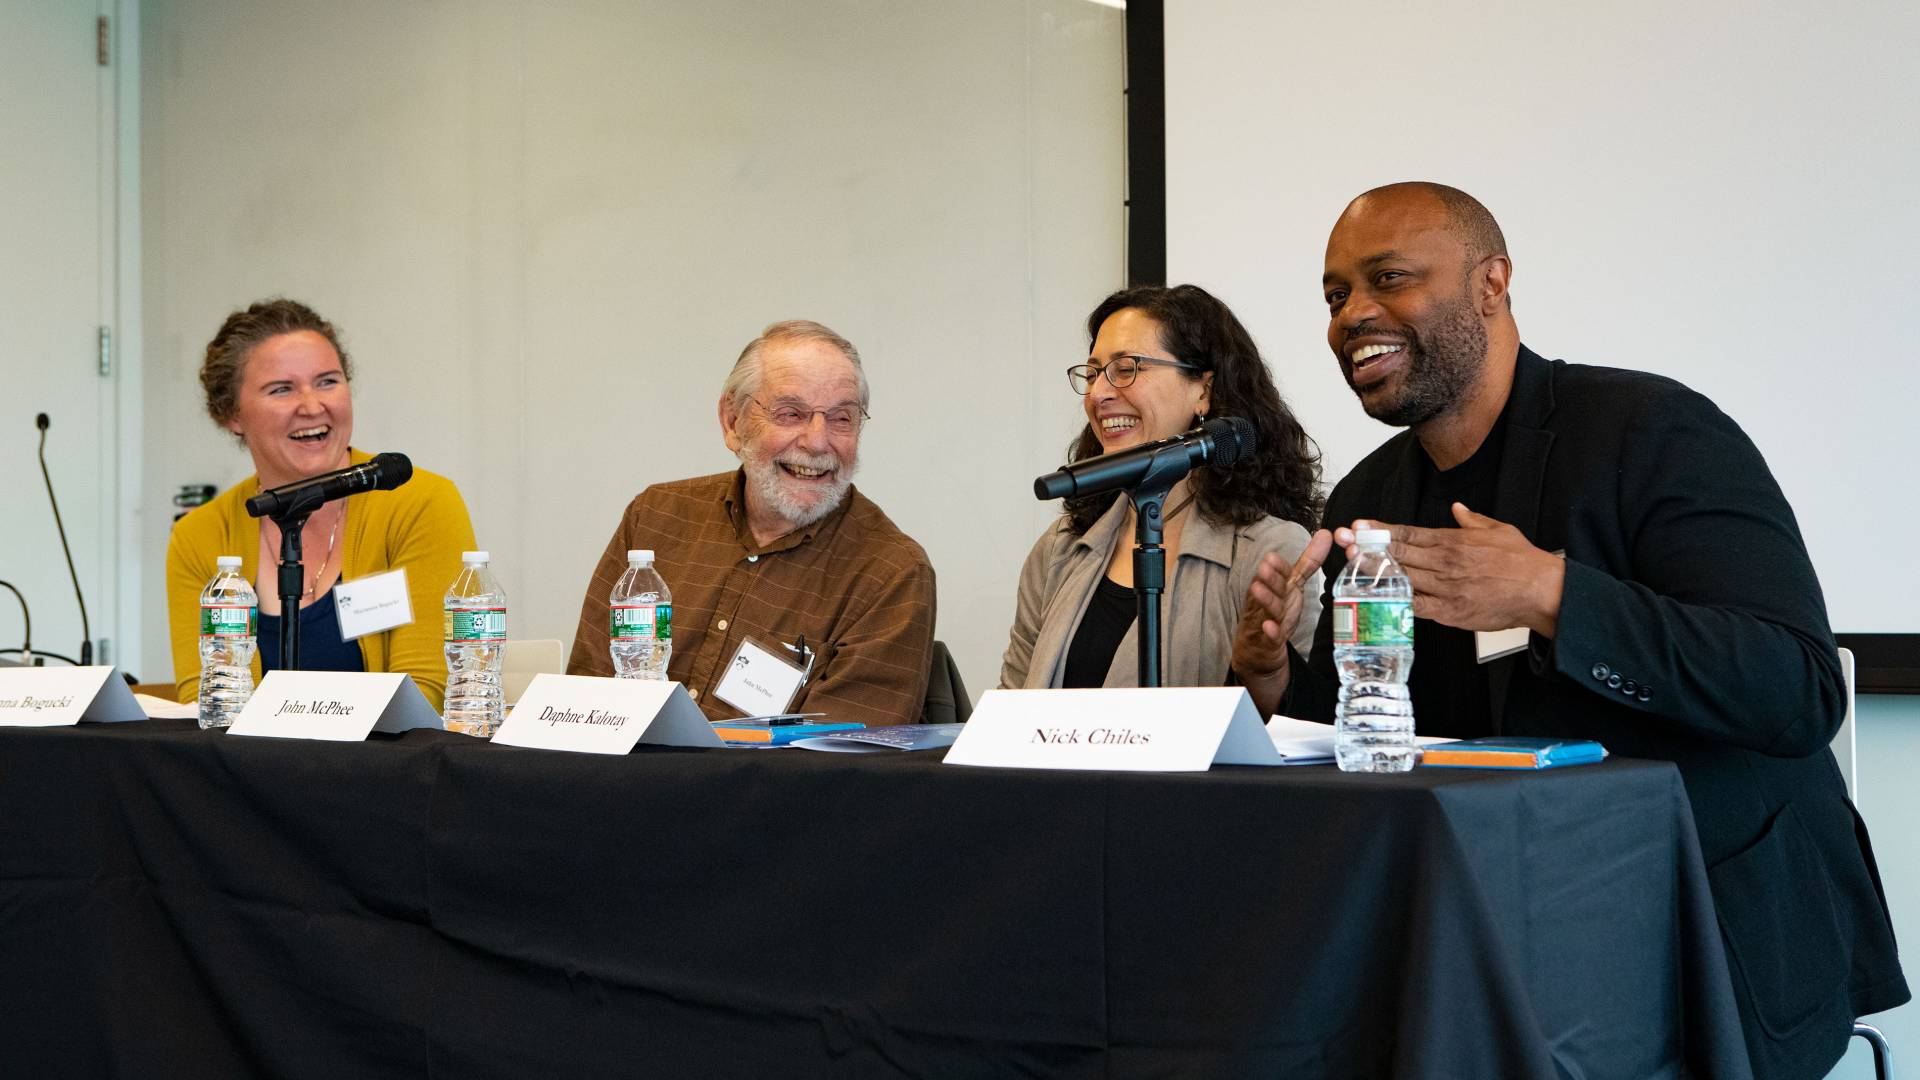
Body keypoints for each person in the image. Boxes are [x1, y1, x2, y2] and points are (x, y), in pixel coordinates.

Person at [1233, 182, 1907, 1078]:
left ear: (1492, 282)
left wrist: (1553, 594)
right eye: (1334, 297)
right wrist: (1274, 679)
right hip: (1488, 944)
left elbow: (1793, 688)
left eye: (1387, 279)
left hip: (1700, 935)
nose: (1354, 315)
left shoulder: (1652, 431)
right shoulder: (1368, 499)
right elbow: (1369, 734)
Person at [566, 320, 936, 726]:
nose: (817, 441)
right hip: (622, 782)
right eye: (790, 413)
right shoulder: (656, 517)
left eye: (841, 419)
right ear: (732, 422)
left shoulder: (890, 572)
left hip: (768, 789)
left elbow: (841, 760)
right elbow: (587, 695)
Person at [1000, 284, 1323, 689]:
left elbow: (1302, 725)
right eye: (1094, 373)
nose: (1098, 394)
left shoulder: (1270, 550)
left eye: (1127, 368)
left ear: (1204, 390)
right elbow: (1009, 707)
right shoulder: (1061, 547)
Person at [166, 299, 477, 709]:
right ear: (231, 414)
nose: (313, 406)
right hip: (250, 770)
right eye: (282, 389)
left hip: (390, 767)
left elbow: (425, 694)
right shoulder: (199, 536)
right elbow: (211, 703)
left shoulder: (419, 502)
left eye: (328, 381)